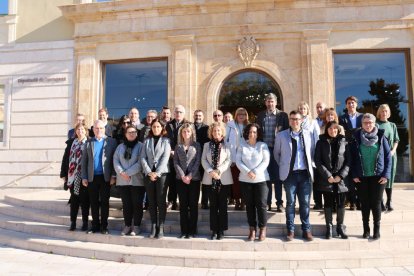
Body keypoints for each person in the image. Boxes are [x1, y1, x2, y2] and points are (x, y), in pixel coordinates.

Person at [274, 110, 315, 241]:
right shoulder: (281, 136)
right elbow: (277, 154)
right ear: (289, 121)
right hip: (289, 175)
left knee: (305, 203)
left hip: (305, 174)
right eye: (292, 119)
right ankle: (290, 230)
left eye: (297, 119)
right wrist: (284, 165)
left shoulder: (309, 135)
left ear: (302, 120)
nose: (294, 121)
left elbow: (313, 153)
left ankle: (306, 229)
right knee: (290, 203)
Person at [350, 113, 391, 240]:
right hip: (361, 177)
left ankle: (376, 229)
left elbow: (388, 157)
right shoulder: (356, 137)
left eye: (370, 122)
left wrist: (386, 174)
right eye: (365, 123)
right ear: (361, 124)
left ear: (374, 123)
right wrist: (354, 174)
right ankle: (366, 229)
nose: (368, 125)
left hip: (378, 177)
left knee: (376, 203)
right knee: (364, 203)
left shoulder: (381, 136)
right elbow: (351, 157)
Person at [315, 121, 350, 239]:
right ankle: (329, 227)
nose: (332, 131)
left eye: (335, 128)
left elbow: (348, 161)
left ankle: (340, 227)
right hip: (327, 179)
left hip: (341, 179)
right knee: (328, 204)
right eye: (330, 129)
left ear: (338, 129)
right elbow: (318, 161)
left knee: (341, 204)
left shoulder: (345, 141)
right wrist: (328, 176)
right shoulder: (321, 142)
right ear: (326, 130)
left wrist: (341, 175)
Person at [81, 120, 117, 234]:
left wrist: (113, 175)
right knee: (94, 202)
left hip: (105, 177)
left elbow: (114, 161)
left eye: (101, 128)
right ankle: (95, 225)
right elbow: (84, 161)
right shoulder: (88, 142)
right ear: (93, 129)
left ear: (104, 129)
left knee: (105, 202)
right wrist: (84, 177)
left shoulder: (111, 142)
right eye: (96, 128)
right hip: (92, 178)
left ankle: (104, 226)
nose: (99, 130)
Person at [236, 123, 270, 241]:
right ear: (247, 133)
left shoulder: (263, 146)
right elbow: (238, 160)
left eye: (254, 132)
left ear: (258, 134)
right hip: (245, 180)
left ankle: (262, 229)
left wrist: (255, 171)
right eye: (250, 132)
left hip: (261, 179)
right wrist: (247, 171)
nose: (252, 134)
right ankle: (252, 229)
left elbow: (266, 161)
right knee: (249, 206)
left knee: (261, 205)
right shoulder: (242, 145)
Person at [255, 93, 289, 212]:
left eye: (272, 101)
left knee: (279, 178)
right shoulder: (260, 115)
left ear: (276, 102)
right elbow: (257, 133)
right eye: (268, 101)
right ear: (265, 103)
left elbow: (286, 132)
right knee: (266, 177)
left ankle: (279, 203)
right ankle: (267, 203)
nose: (270, 104)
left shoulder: (283, 116)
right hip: (264, 150)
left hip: (278, 150)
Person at [140, 118, 171, 239]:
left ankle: (161, 225)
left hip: (162, 174)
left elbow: (165, 157)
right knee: (151, 201)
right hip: (148, 175)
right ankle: (154, 225)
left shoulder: (166, 141)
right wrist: (149, 172)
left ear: (162, 128)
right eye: (154, 127)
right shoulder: (147, 141)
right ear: (151, 128)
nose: (156, 129)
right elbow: (142, 157)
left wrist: (156, 173)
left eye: (158, 127)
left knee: (161, 200)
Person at [201, 122, 233, 240]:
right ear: (211, 132)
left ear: (222, 132)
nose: (216, 133)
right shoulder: (206, 145)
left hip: (223, 178)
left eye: (218, 131)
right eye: (214, 131)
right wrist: (211, 172)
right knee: (213, 206)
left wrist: (218, 171)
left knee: (223, 206)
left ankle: (222, 230)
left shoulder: (227, 145)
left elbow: (229, 160)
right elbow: (203, 160)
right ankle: (214, 230)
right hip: (210, 179)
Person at [113, 125, 145, 236]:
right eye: (129, 132)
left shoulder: (141, 146)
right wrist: (122, 173)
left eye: (134, 132)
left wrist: (127, 173)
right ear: (125, 134)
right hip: (122, 181)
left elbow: (141, 162)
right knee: (126, 204)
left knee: (137, 204)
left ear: (137, 133)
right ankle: (127, 225)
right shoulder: (120, 147)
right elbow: (115, 161)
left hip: (137, 180)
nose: (131, 134)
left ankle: (136, 226)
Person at [173, 123, 202, 238]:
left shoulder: (197, 145)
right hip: (181, 180)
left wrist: (189, 176)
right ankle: (184, 230)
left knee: (193, 205)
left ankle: (192, 231)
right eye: (184, 132)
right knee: (183, 206)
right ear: (181, 134)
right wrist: (182, 176)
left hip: (193, 179)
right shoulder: (178, 146)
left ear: (191, 133)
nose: (186, 133)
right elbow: (175, 162)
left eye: (188, 131)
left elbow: (197, 162)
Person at [60, 122, 90, 231]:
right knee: (74, 201)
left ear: (86, 131)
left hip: (84, 177)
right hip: (72, 176)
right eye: (78, 129)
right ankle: (72, 222)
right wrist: (63, 174)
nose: (80, 131)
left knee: (85, 201)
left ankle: (85, 222)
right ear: (75, 131)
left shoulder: (89, 143)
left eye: (82, 129)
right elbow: (65, 159)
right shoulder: (71, 143)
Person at [339, 96, 363, 211]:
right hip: (347, 148)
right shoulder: (342, 118)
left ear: (356, 104)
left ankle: (360, 201)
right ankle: (352, 201)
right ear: (346, 105)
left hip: (360, 149)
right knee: (349, 176)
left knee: (360, 174)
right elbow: (343, 133)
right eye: (349, 103)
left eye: (353, 103)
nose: (351, 105)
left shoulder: (362, 117)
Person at [297, 101, 321, 210]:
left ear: (307, 110)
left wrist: (316, 155)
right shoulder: (296, 122)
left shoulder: (313, 122)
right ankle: (302, 204)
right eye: (300, 109)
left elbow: (317, 139)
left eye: (304, 109)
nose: (302, 111)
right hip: (299, 155)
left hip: (310, 155)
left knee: (310, 180)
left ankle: (312, 202)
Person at [166, 105, 190, 210]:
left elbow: (191, 139)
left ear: (183, 114)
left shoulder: (188, 124)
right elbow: (165, 139)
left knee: (183, 179)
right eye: (176, 112)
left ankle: (184, 202)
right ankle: (172, 201)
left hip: (184, 157)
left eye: (180, 112)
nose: (178, 114)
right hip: (171, 156)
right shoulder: (168, 125)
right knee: (172, 180)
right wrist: (169, 150)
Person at [377, 104, 399, 211]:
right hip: (380, 155)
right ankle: (380, 201)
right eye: (382, 111)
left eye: (386, 111)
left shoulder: (392, 125)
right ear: (379, 113)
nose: (384, 113)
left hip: (391, 155)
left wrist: (393, 151)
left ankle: (389, 201)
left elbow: (396, 140)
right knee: (380, 176)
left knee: (390, 178)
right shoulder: (376, 125)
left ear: (388, 113)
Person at [225, 107, 249, 210]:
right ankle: (237, 201)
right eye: (239, 114)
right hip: (233, 158)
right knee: (235, 181)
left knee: (244, 181)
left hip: (245, 159)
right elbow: (226, 141)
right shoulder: (230, 125)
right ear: (236, 115)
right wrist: (230, 158)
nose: (241, 116)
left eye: (243, 114)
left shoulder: (249, 126)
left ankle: (244, 201)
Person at [193, 110, 210, 209]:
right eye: (196, 115)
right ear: (193, 116)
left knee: (205, 182)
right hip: (192, 158)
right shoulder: (190, 127)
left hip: (204, 157)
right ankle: (194, 201)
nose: (198, 117)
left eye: (200, 115)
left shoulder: (207, 128)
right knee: (194, 182)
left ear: (203, 117)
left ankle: (204, 202)